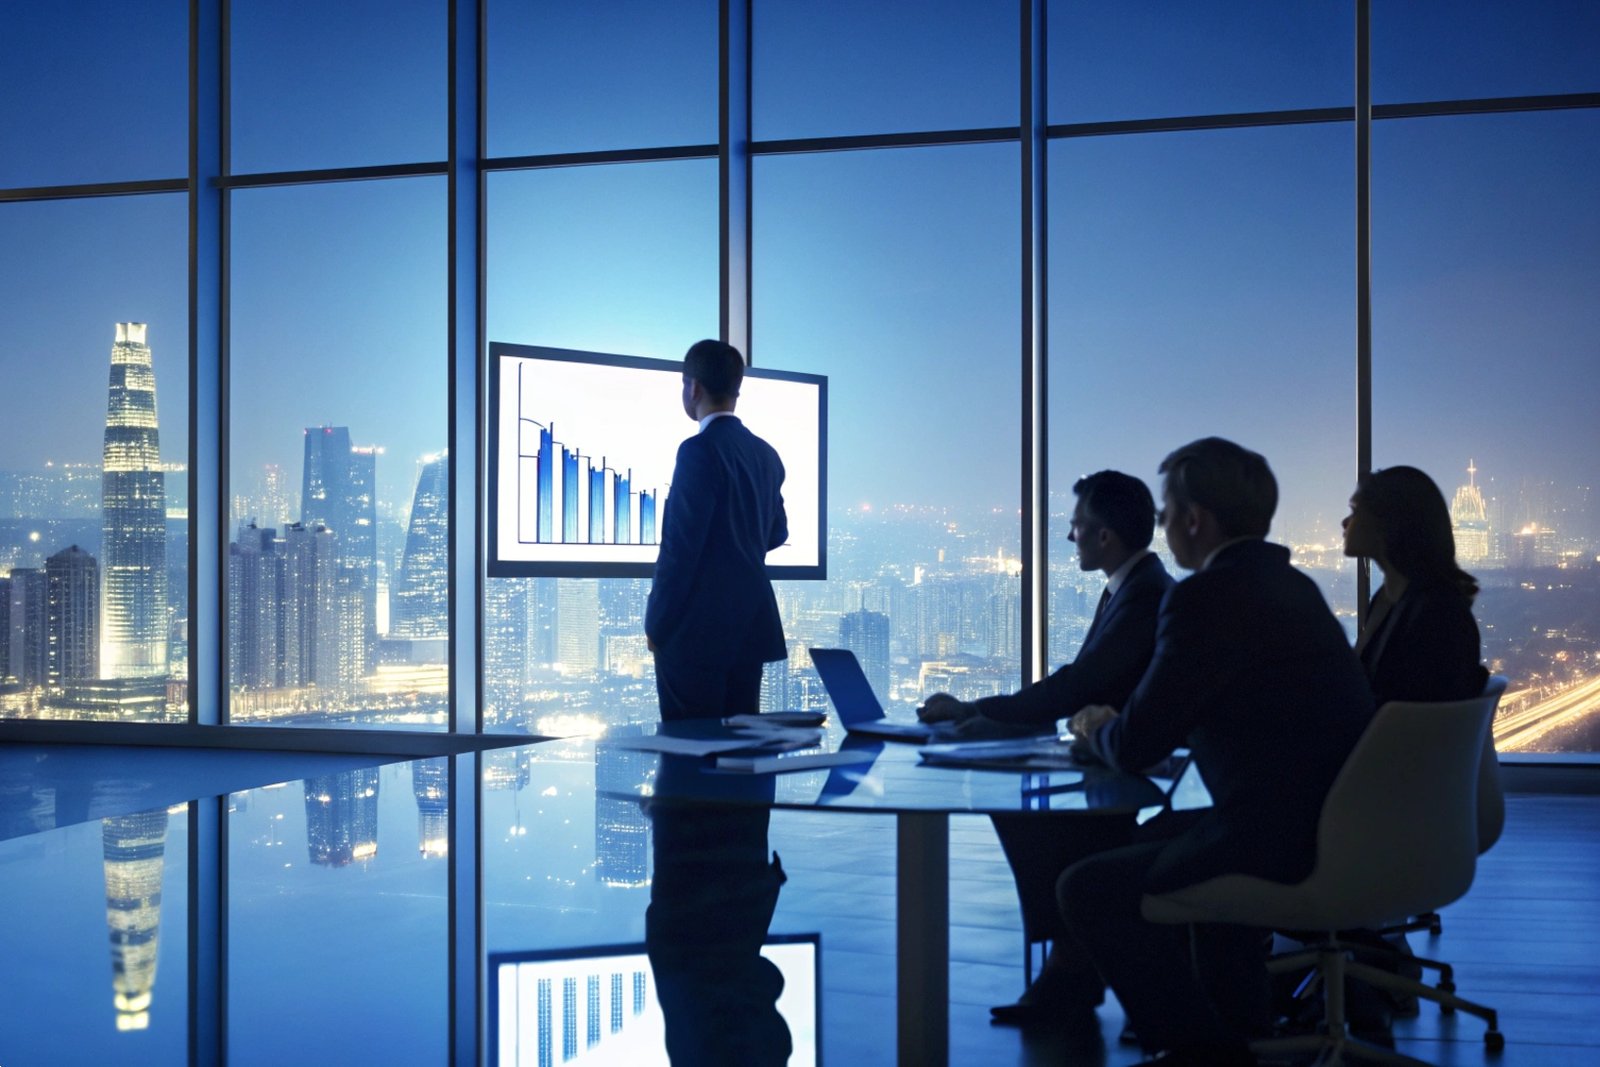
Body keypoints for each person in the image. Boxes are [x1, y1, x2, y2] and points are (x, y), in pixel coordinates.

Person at [1059, 437, 1374, 1067]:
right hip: (1340, 821)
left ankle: (1201, 1050)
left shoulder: (1203, 597)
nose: (1162, 525)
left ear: (1194, 519)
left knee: (1086, 887)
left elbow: (1138, 743)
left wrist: (1096, 727)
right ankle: (1238, 1026)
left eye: (1167, 512)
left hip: (1277, 835)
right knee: (1162, 837)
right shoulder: (1295, 587)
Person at [917, 470, 1173, 1029]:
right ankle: (1071, 963)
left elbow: (1080, 685)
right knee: (1022, 807)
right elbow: (1083, 683)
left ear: (1104, 535)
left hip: (1130, 760)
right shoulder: (1132, 586)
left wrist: (977, 710)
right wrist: (988, 714)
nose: (1069, 536)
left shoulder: (1144, 593)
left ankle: (1073, 966)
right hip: (1113, 752)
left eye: (1077, 526)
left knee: (1023, 809)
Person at [645, 339, 789, 721]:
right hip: (750, 627)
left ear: (693, 388)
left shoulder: (697, 451)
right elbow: (778, 533)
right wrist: (739, 544)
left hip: (695, 634)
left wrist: (656, 624)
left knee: (692, 747)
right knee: (743, 746)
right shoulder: (766, 454)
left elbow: (680, 549)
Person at [1342, 465, 1488, 706]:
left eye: (1355, 511)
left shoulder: (1436, 616)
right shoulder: (1397, 600)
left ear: (1388, 522)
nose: (1345, 522)